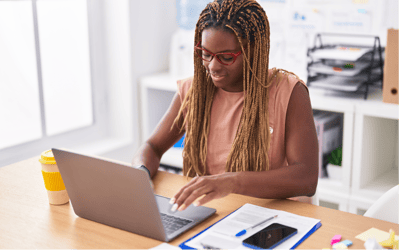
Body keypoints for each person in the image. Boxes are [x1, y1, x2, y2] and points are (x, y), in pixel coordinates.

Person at [131, 0, 318, 212]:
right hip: (213, 212)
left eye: (226, 57)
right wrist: (141, 175)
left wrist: (232, 182)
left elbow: (306, 177)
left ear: (253, 51)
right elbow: (152, 147)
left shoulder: (289, 92)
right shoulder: (193, 92)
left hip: (271, 218)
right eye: (206, 54)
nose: (213, 66)